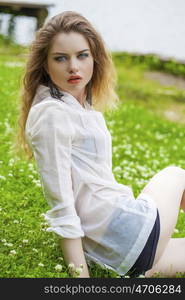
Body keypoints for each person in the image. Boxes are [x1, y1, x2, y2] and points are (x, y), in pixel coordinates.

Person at [16, 11, 185, 278]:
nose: (73, 67)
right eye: (61, 58)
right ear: (45, 65)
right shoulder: (52, 113)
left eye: (82, 55)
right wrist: (81, 280)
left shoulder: (78, 107)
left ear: (95, 58)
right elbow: (61, 203)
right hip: (123, 231)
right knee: (176, 174)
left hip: (118, 250)